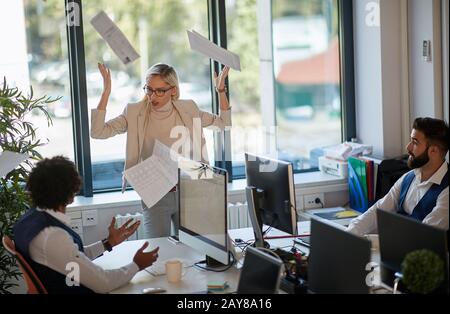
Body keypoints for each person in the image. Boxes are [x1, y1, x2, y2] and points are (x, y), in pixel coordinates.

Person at [91, 63, 232, 239]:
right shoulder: (134, 112)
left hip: (189, 192)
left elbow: (224, 124)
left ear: (173, 90)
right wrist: (106, 93)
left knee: (193, 251)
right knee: (158, 251)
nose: (152, 96)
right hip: (155, 195)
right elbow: (98, 132)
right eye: (149, 89)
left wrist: (220, 91)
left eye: (159, 91)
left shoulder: (189, 109)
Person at [13, 156, 160, 294]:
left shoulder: (29, 220)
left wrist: (108, 243)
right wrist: (137, 265)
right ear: (71, 192)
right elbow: (104, 283)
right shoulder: (52, 235)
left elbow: (73, 258)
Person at [347, 117, 449, 236]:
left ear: (433, 151)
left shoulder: (446, 189)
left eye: (415, 142)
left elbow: (424, 235)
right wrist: (350, 233)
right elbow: (377, 210)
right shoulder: (408, 177)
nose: (408, 147)